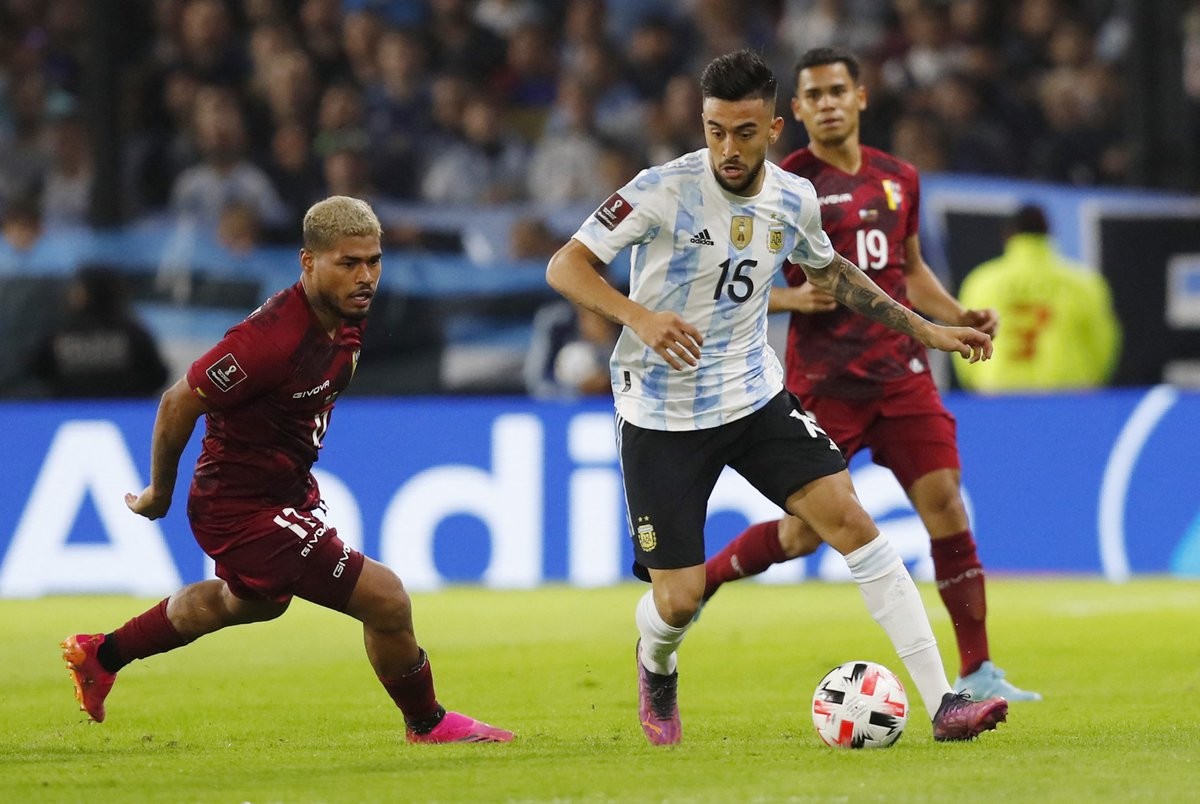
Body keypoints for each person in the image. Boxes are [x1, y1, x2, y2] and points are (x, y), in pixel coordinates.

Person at [545, 49, 1009, 747]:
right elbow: (565, 265)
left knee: (852, 522)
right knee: (677, 599)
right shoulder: (661, 189)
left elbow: (841, 277)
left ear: (772, 130)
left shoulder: (794, 199)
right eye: (715, 131)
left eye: (743, 132)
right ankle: (656, 662)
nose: (727, 149)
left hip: (754, 396)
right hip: (662, 414)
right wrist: (639, 317)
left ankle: (946, 701)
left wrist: (927, 330)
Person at [61, 196, 512, 744]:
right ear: (308, 262)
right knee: (387, 599)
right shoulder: (267, 341)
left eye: (373, 261)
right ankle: (428, 723)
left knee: (243, 605)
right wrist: (160, 492)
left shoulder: (345, 313)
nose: (365, 277)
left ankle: (101, 654)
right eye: (348, 263)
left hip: (283, 491)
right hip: (242, 508)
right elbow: (178, 401)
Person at [701, 46, 1041, 703]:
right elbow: (725, 279)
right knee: (803, 534)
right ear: (796, 110)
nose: (827, 103)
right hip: (825, 383)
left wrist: (956, 313)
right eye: (814, 95)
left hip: (902, 375)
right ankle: (705, 578)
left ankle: (979, 669)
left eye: (837, 90)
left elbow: (909, 272)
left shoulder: (899, 178)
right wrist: (793, 298)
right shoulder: (782, 185)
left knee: (944, 501)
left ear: (860, 97)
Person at [954, 203, 1121, 392]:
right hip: (1067, 394)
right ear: (1049, 233)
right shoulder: (1083, 283)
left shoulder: (981, 281)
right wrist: (1091, 382)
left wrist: (975, 384)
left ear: (1008, 235)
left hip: (998, 394)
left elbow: (963, 342)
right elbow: (1104, 343)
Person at [29, 266, 170, 399]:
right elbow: (158, 376)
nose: (72, 293)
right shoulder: (132, 333)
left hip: (68, 411)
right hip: (124, 412)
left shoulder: (59, 333)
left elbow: (37, 372)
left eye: (78, 288)